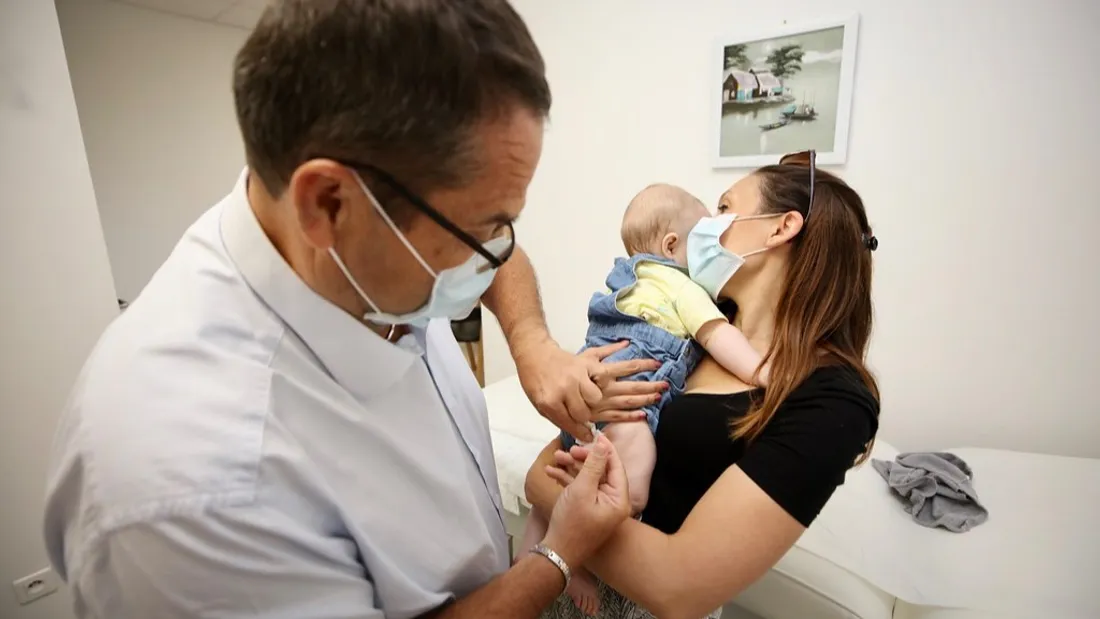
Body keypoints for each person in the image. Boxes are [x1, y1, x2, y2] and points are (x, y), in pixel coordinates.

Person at [42, 2, 664, 618]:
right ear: (329, 204)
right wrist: (558, 555)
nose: (498, 251)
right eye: (484, 227)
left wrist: (531, 344)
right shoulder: (195, 491)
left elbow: (496, 255)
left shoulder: (348, 246)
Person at [526, 151, 882, 619]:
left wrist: (569, 522)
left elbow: (677, 587)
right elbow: (540, 475)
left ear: (780, 227)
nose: (709, 224)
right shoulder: (678, 332)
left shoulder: (830, 395)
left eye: (724, 207)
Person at [518, 183, 769, 614]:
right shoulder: (676, 283)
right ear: (672, 245)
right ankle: (586, 552)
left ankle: (533, 558)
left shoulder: (629, 277)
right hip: (628, 407)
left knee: (567, 474)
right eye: (708, 231)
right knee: (627, 485)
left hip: (586, 400)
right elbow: (715, 333)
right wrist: (761, 371)